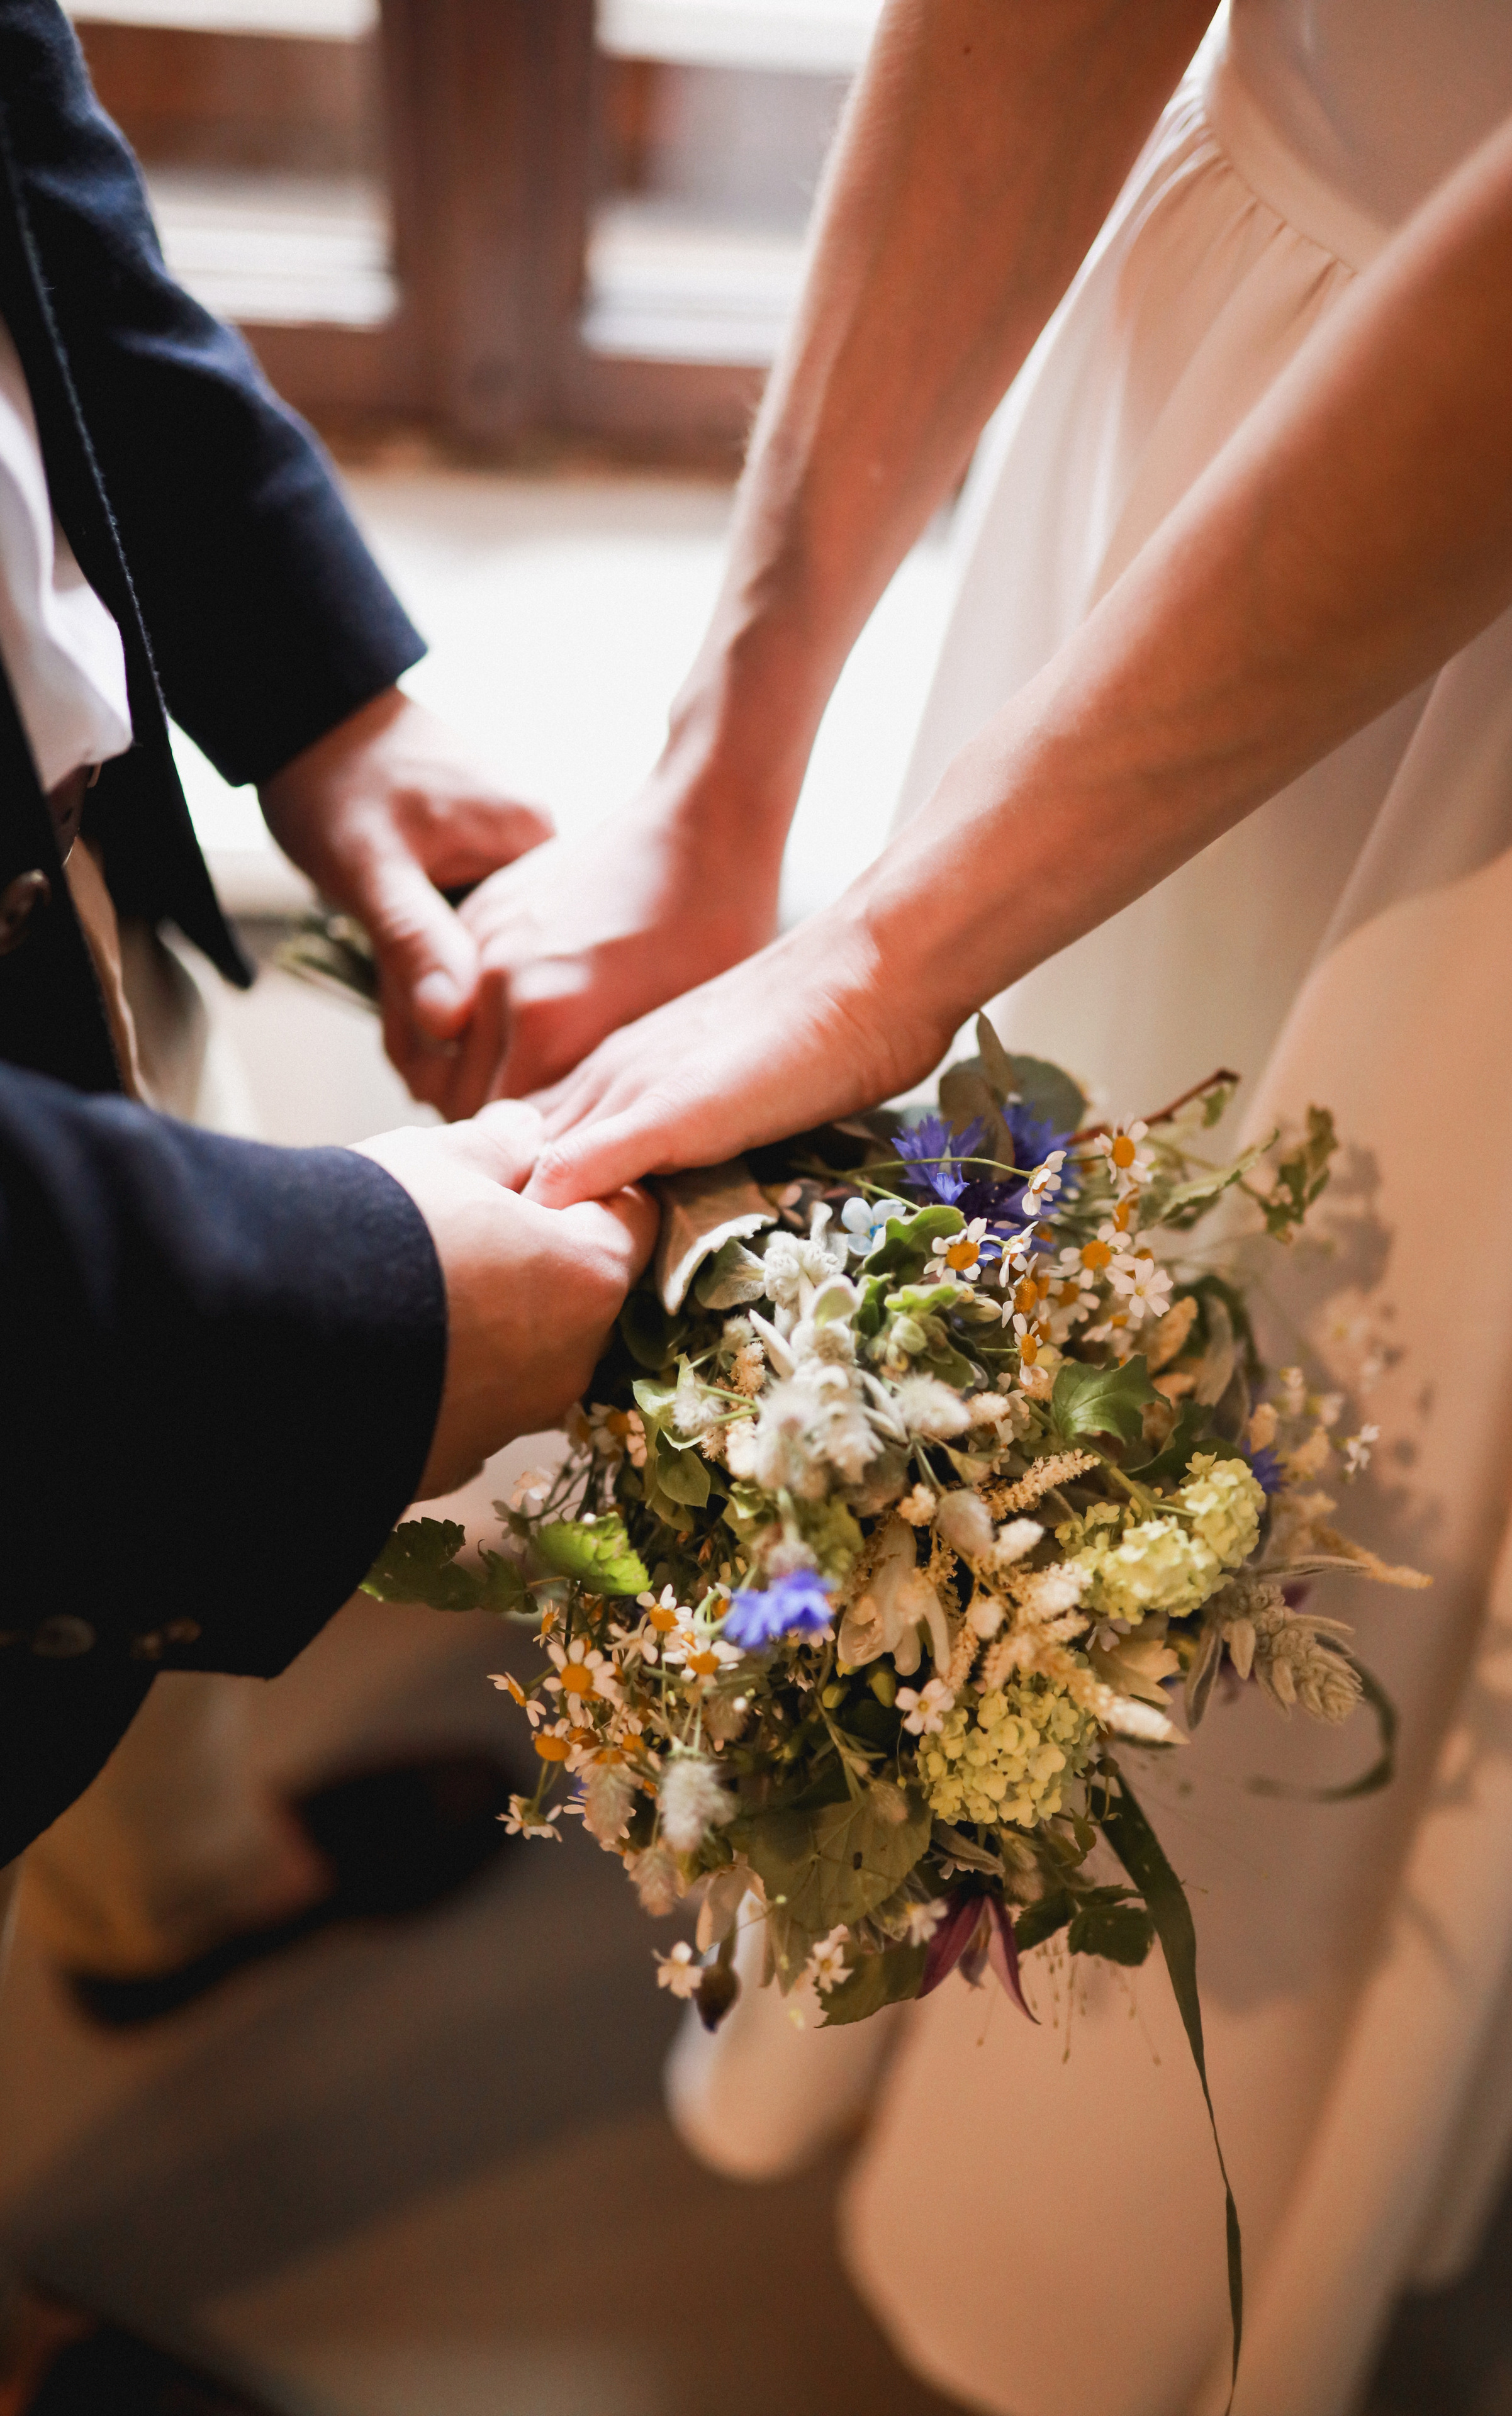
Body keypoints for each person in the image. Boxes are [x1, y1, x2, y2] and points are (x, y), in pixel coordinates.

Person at [425, 6, 1512, 2414]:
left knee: (1375, 1517)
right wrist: (732, 761)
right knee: (1014, 1357)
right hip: (1214, 395)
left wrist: (876, 960)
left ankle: (1089, 2273)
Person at [0, 7, 653, 2401]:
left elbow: (26, 164)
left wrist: (324, 690)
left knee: (110, 1547)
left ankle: (164, 1897)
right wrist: (356, 1305)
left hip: (66, 912)